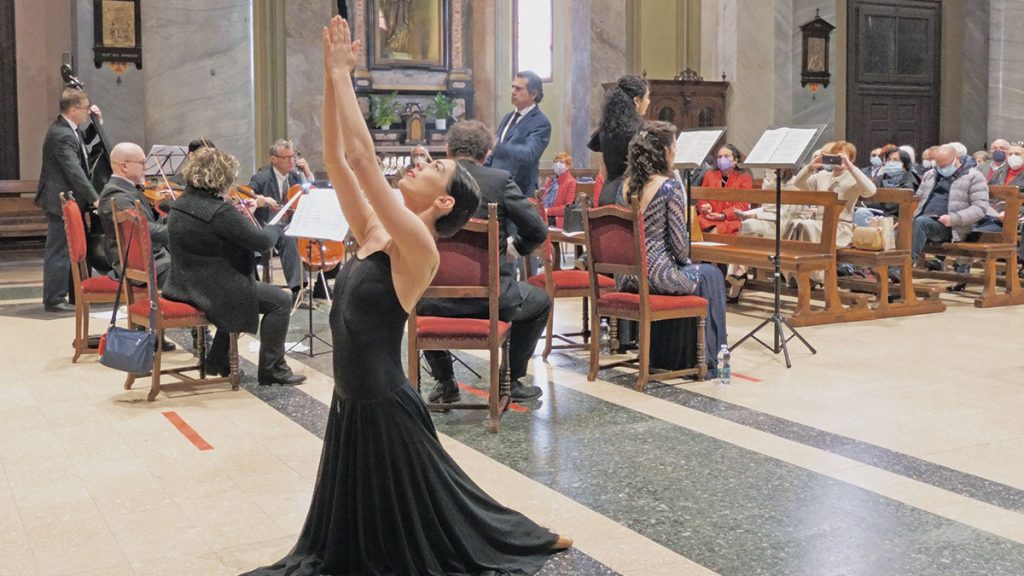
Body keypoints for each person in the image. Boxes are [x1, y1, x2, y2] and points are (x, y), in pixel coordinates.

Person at [240, 17, 570, 575]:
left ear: (442, 205)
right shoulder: (374, 230)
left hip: (384, 409)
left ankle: (517, 537)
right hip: (352, 407)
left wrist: (346, 76)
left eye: (433, 168)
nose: (420, 164)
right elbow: (339, 159)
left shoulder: (420, 244)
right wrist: (329, 76)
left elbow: (366, 160)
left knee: (444, 517)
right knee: (438, 502)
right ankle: (514, 532)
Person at [419, 120, 551, 403]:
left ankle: (445, 381)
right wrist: (516, 247)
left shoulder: (429, 180)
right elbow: (538, 230)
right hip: (493, 301)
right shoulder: (499, 181)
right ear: (487, 153)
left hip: (432, 302)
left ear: (447, 149)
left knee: (416, 295)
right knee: (540, 301)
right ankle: (511, 380)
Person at [162, 147, 307, 386]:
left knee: (241, 287)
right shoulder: (219, 210)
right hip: (209, 288)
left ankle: (217, 360)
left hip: (182, 282)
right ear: (222, 177)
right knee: (280, 300)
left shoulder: (182, 202)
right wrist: (276, 227)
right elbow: (260, 243)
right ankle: (273, 369)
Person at [619, 121, 728, 373]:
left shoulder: (624, 186)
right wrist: (688, 264)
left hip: (626, 276)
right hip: (656, 276)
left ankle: (665, 355)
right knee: (710, 274)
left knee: (697, 273)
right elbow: (680, 249)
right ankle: (699, 361)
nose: (676, 152)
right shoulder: (669, 186)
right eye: (674, 147)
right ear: (664, 151)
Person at [97, 142, 178, 352]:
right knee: (193, 276)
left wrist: (174, 216)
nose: (146, 168)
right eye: (142, 163)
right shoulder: (116, 194)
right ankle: (201, 336)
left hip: (148, 256)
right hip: (138, 263)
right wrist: (180, 230)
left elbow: (148, 227)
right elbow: (144, 231)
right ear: (124, 166)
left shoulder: (125, 190)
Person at [35, 88, 104, 312]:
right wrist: (95, 199)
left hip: (66, 200)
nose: (87, 113)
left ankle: (68, 293)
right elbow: (75, 171)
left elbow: (82, 144)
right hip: (59, 201)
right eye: (85, 109)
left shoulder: (68, 130)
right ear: (73, 110)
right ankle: (54, 299)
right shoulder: (61, 135)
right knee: (60, 250)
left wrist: (96, 124)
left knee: (69, 249)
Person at [890, 144, 997, 282]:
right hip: (925, 220)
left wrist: (954, 218)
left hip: (953, 227)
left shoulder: (973, 176)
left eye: (944, 165)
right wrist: (906, 218)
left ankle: (901, 269)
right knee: (896, 228)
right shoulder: (931, 175)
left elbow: (980, 208)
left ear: (956, 159)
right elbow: (917, 201)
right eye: (938, 164)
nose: (941, 168)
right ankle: (882, 270)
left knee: (921, 223)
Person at [248, 139, 315, 301]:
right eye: (287, 158)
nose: (292, 161)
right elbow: (248, 195)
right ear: (274, 159)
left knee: (319, 236)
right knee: (288, 238)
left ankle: (321, 286)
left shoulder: (295, 177)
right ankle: (299, 290)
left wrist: (307, 173)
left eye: (293, 157)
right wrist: (262, 199)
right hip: (269, 226)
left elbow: (312, 193)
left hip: (291, 224)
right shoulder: (261, 177)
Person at [486, 70, 551, 199]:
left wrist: (498, 147)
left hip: (519, 191)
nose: (513, 92)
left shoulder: (541, 122)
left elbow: (529, 154)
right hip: (496, 187)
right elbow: (492, 154)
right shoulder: (508, 117)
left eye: (518, 88)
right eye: (513, 87)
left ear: (533, 94)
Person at [589, 74, 649, 207]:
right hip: (630, 195)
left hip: (607, 194)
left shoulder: (605, 130)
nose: (649, 101)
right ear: (637, 101)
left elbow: (602, 169)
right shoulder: (641, 130)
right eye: (647, 97)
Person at [696, 144, 752, 234]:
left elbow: (744, 205)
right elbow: (702, 198)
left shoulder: (744, 177)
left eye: (726, 156)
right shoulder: (709, 174)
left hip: (732, 219)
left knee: (719, 230)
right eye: (719, 157)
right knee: (694, 224)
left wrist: (723, 215)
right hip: (710, 217)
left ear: (735, 160)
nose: (722, 159)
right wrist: (705, 207)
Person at [539, 151, 577, 228]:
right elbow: (543, 200)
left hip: (556, 219)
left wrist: (548, 211)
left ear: (568, 166)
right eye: (556, 162)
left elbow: (567, 208)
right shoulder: (551, 181)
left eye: (561, 162)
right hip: (545, 215)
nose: (558, 164)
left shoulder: (571, 181)